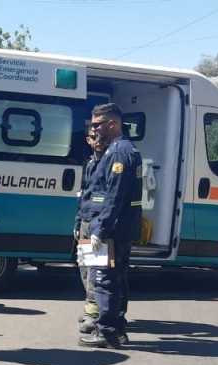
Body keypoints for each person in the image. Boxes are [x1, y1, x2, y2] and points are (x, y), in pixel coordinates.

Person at [78, 103, 143, 349]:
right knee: (113, 278)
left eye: (97, 125)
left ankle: (106, 332)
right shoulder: (114, 151)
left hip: (112, 230)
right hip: (116, 227)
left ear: (112, 124)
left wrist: (100, 229)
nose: (94, 130)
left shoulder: (118, 152)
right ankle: (117, 329)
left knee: (104, 279)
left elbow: (114, 196)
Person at [75, 128, 106, 335]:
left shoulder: (109, 162)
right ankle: (91, 309)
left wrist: (99, 225)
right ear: (88, 140)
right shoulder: (90, 163)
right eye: (93, 137)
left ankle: (94, 316)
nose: (97, 141)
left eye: (100, 137)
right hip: (86, 220)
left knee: (96, 271)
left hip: (98, 223)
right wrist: (78, 222)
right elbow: (84, 194)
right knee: (85, 269)